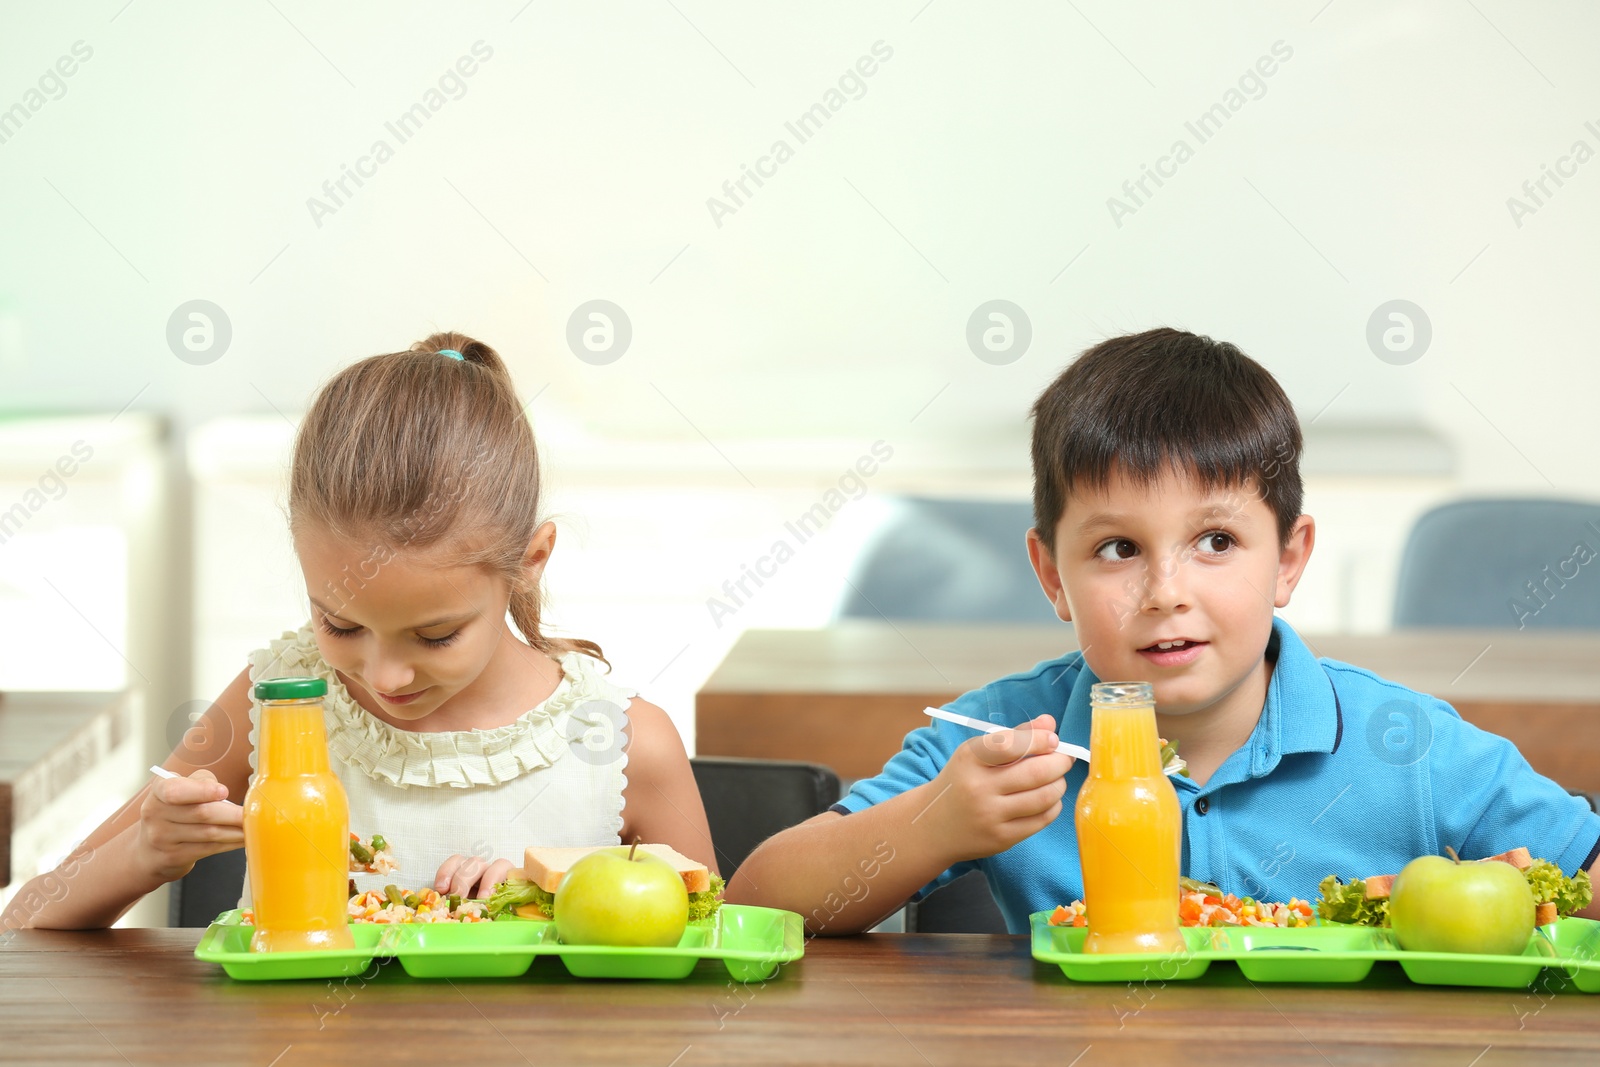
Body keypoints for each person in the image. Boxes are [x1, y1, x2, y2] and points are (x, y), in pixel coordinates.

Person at [729, 327, 1600, 934]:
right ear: (1049, 574)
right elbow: (761, 899)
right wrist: (935, 822)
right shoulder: (1002, 738)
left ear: (1289, 559)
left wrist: (1524, 897)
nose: (1165, 592)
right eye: (1117, 548)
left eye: (1216, 542)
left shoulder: (1406, 744)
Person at [3, 332, 715, 930]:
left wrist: (550, 909)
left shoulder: (620, 743)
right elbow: (24, 920)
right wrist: (145, 852)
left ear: (529, 562)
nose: (383, 676)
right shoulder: (280, 704)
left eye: (435, 636)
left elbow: (719, 965)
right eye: (339, 623)